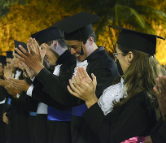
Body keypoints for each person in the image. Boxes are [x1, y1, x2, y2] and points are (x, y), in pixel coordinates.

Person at [16, 11, 119, 143]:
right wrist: (35, 74)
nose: (71, 52)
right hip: (76, 132)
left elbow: (68, 99)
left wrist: (39, 69)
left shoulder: (105, 66)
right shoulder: (78, 62)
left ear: (90, 40)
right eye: (69, 47)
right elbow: (59, 93)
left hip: (92, 135)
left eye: (75, 47)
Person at [67, 25, 165, 142]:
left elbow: (111, 138)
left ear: (129, 57)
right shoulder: (127, 88)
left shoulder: (142, 100)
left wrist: (90, 99)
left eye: (116, 54)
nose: (116, 59)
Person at [13, 27, 76, 143]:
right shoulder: (56, 65)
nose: (42, 55)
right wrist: (34, 76)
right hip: (52, 125)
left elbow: (60, 100)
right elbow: (48, 94)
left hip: (66, 128)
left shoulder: (71, 63)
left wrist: (31, 85)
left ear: (55, 44)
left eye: (42, 48)